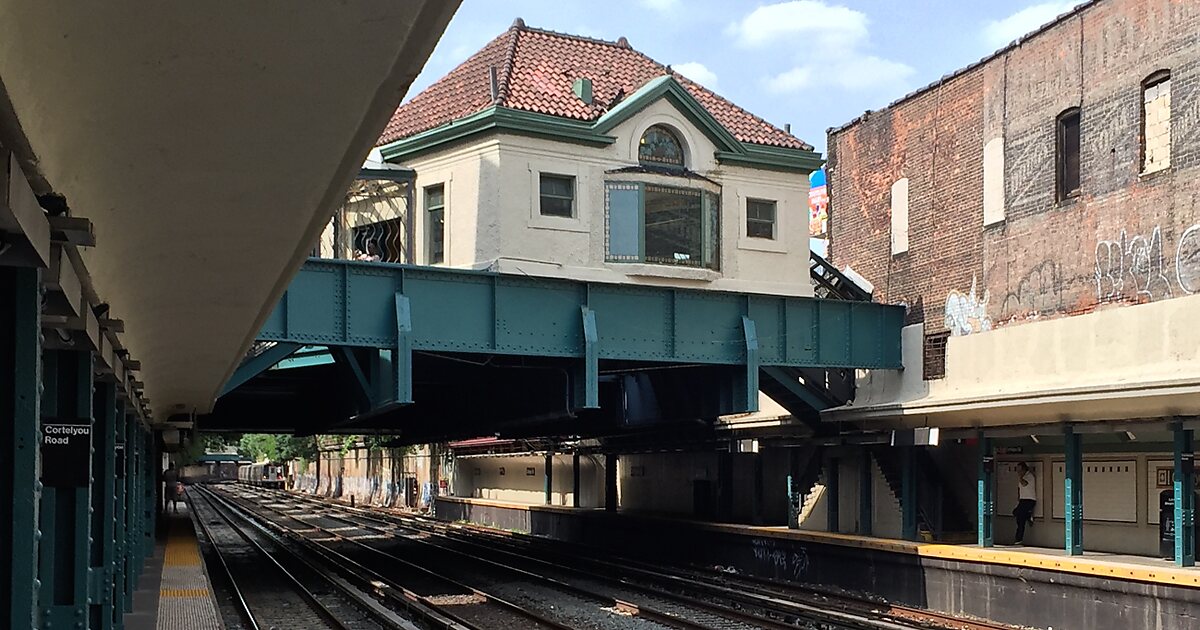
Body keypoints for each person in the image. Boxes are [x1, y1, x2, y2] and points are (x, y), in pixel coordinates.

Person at [1012, 462, 1037, 545]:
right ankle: (1028, 516)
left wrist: (1020, 477)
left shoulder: (1030, 476)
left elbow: (1024, 484)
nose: (1018, 472)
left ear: (1024, 469)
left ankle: (1018, 539)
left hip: (1030, 499)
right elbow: (1019, 488)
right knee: (1016, 514)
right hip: (1023, 500)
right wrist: (1018, 497)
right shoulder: (1021, 477)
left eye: (1019, 470)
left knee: (1019, 516)